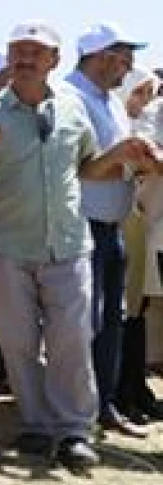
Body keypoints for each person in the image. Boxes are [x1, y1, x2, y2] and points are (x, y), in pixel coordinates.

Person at [0, 23, 158, 471]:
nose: (25, 58)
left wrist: (122, 153)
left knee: (73, 337)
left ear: (53, 59)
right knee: (18, 340)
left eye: (36, 51)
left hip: (68, 241)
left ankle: (73, 430)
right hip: (7, 243)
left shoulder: (73, 109)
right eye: (18, 50)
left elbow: (89, 167)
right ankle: (35, 424)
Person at [65, 23, 150, 437]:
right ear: (102, 57)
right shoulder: (69, 98)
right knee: (86, 321)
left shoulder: (111, 103)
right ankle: (78, 409)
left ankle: (104, 404)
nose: (130, 66)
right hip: (80, 226)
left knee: (111, 319)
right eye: (124, 58)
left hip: (111, 224)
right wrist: (123, 159)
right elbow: (77, 167)